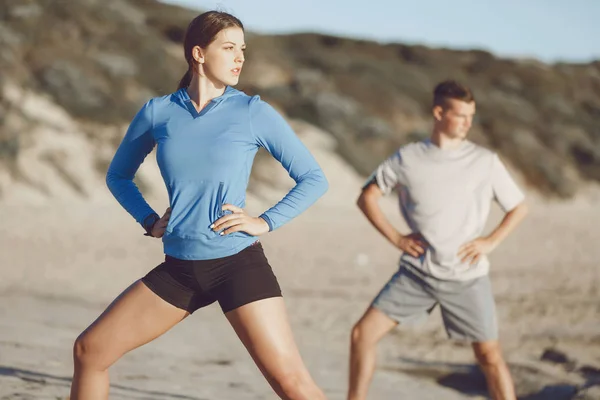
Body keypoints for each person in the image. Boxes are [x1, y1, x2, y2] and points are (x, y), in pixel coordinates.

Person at [70, 11, 328, 400]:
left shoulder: (251, 111)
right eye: (229, 48)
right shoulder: (159, 111)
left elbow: (313, 178)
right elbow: (118, 176)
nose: (240, 57)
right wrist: (148, 219)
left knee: (291, 382)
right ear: (199, 53)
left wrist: (265, 221)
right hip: (180, 270)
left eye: (242, 49)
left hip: (236, 264)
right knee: (89, 352)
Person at [347, 80, 529, 400]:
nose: (467, 123)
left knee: (489, 356)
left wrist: (490, 241)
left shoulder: (485, 161)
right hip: (417, 273)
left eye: (471, 116)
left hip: (467, 275)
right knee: (362, 335)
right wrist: (397, 238)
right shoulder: (408, 158)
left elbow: (519, 207)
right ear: (438, 112)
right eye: (460, 115)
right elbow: (367, 197)